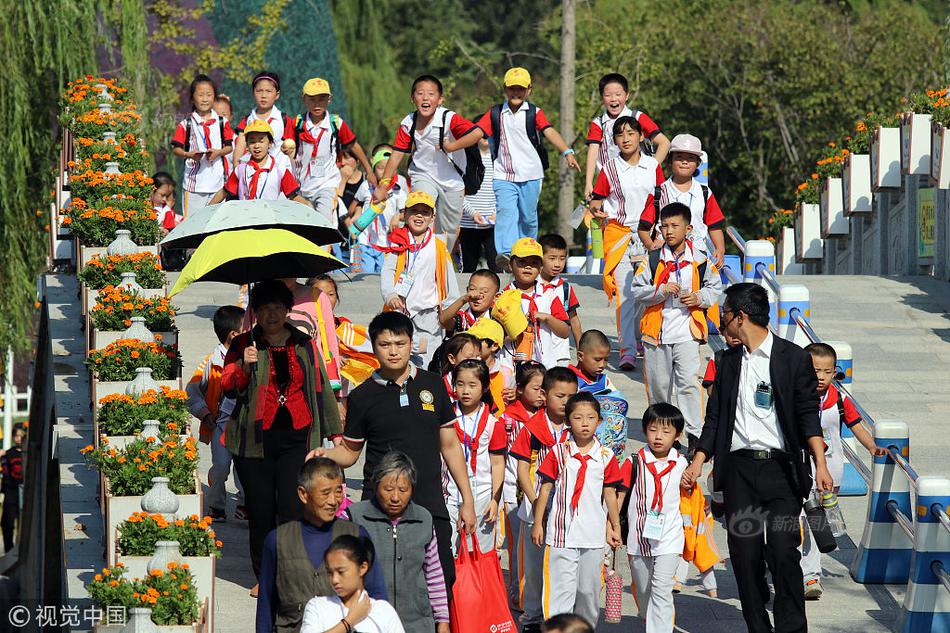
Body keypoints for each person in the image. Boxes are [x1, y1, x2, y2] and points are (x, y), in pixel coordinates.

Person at [681, 282, 834, 633]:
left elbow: (808, 414)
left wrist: (820, 463)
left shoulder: (793, 358)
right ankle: (757, 627)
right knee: (746, 557)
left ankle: (792, 628)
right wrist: (699, 459)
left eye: (724, 317)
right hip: (740, 475)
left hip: (781, 473)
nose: (721, 325)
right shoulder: (727, 361)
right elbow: (715, 417)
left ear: (740, 316)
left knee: (783, 551)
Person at [313, 311, 477, 593]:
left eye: (400, 344)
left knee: (441, 582)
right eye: (385, 344)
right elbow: (351, 453)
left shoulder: (434, 385)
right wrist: (324, 454)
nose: (393, 351)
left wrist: (468, 499)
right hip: (379, 507)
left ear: (411, 343)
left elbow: (450, 446)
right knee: (379, 584)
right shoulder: (362, 396)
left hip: (429, 502)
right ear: (374, 347)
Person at [221, 280, 343, 593]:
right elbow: (229, 386)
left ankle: (290, 574)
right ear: (255, 312)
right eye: (264, 308)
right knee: (261, 511)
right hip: (255, 439)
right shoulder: (243, 345)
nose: (272, 314)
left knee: (292, 508)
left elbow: (319, 388)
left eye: (278, 307)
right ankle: (264, 576)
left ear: (288, 310)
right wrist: (244, 367)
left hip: (296, 436)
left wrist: (334, 431)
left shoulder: (303, 342)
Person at [448, 67, 580, 264]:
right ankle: (506, 252)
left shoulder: (534, 112)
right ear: (505, 89)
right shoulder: (495, 113)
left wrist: (567, 152)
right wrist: (452, 146)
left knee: (528, 217)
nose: (516, 93)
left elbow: (549, 131)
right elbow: (476, 134)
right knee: (506, 212)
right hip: (503, 174)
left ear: (529, 90)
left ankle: (526, 247)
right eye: (512, 88)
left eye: (520, 89)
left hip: (531, 174)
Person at [632, 202, 722, 453]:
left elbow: (714, 288)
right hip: (656, 334)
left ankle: (694, 435)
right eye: (665, 226)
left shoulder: (701, 260)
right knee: (659, 387)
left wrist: (699, 298)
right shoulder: (651, 259)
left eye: (675, 226)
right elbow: (637, 291)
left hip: (688, 332)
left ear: (688, 228)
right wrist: (659, 291)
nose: (669, 231)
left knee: (689, 385)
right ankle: (664, 434)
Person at [800, 342, 886, 599]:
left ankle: (810, 576)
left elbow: (856, 424)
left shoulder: (838, 399)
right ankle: (793, 567)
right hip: (801, 471)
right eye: (815, 370)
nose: (821, 377)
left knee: (817, 524)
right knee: (798, 521)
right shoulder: (795, 397)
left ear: (835, 371)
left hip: (830, 472)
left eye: (827, 371)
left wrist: (872, 446)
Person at [532, 392, 622, 626]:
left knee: (588, 593)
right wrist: (538, 522)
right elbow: (545, 489)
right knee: (559, 593)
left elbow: (610, 494)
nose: (584, 423)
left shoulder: (606, 456)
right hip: (561, 534)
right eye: (578, 418)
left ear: (599, 421)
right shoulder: (559, 452)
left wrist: (615, 526)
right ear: (568, 421)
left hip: (592, 535)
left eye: (590, 418)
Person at [588, 115, 666, 371]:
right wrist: (596, 210)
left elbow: (661, 199)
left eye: (631, 133)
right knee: (625, 294)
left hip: (649, 235)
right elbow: (596, 200)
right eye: (620, 135)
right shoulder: (609, 167)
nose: (626, 139)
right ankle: (627, 350)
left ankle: (641, 338)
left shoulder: (653, 166)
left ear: (641, 136)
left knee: (646, 293)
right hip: (619, 235)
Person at [374, 74, 481, 251]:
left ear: (440, 99)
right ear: (412, 98)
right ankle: (414, 254)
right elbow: (397, 154)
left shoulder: (448, 118)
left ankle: (441, 261)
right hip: (422, 175)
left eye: (431, 94)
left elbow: (476, 134)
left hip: (452, 180)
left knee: (448, 231)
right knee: (420, 209)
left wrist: (452, 146)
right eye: (420, 93)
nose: (425, 98)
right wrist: (384, 185)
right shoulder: (409, 122)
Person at [348, 452, 450, 633]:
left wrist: (442, 619)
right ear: (376, 486)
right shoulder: (355, 518)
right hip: (368, 623)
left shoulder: (423, 519)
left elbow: (433, 574)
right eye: (388, 489)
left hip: (415, 623)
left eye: (403, 490)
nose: (395, 497)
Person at [509, 366, 577, 633]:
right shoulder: (532, 428)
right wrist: (535, 499)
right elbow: (522, 470)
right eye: (559, 395)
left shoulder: (577, 427)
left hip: (568, 511)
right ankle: (532, 617)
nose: (565, 402)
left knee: (564, 567)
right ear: (545, 394)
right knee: (533, 568)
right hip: (534, 508)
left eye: (571, 396)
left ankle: (562, 618)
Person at [617, 403, 689, 633]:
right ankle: (648, 616)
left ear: (678, 435)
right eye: (653, 429)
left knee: (661, 587)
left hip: (670, 536)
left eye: (666, 432)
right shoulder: (634, 461)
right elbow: (619, 495)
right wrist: (612, 525)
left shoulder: (681, 464)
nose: (658, 437)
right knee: (644, 588)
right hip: (639, 538)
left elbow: (690, 498)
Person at [379, 190, 459, 367]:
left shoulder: (438, 246)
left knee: (428, 367)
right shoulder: (398, 241)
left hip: (428, 317)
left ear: (432, 217)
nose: (419, 216)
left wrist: (449, 311)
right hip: (400, 314)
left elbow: (448, 281)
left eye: (425, 212)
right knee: (398, 364)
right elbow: (388, 270)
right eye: (414, 211)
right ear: (405, 214)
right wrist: (390, 295)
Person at [186, 305, 247, 522]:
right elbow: (192, 391)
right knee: (221, 468)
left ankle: (244, 504)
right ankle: (217, 504)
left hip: (245, 425)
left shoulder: (251, 355)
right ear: (234, 334)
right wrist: (205, 414)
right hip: (220, 425)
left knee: (244, 469)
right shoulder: (212, 361)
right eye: (247, 327)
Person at [292, 77, 374, 223]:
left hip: (327, 183)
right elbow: (288, 148)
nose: (317, 104)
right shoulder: (297, 123)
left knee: (324, 224)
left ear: (329, 99)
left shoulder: (336, 123)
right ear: (304, 99)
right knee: (306, 227)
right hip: (302, 186)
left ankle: (325, 246)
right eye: (312, 99)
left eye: (321, 99)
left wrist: (369, 171)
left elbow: (354, 145)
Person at [496, 361, 545, 607]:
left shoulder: (549, 417)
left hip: (543, 488)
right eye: (536, 389)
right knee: (517, 545)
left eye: (544, 389)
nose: (541, 394)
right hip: (513, 489)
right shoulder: (507, 419)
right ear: (520, 389)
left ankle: (537, 592)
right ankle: (518, 593)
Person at [446, 359, 507, 554]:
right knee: (449, 552)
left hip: (482, 496)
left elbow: (497, 464)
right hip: (449, 494)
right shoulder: (445, 418)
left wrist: (495, 499)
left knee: (478, 554)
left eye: (472, 385)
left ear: (485, 387)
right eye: (460, 384)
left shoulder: (492, 423)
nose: (465, 391)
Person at [638, 133, 725, 267]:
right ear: (670, 161)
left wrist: (720, 249)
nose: (685, 162)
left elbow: (714, 226)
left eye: (690, 158)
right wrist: (651, 246)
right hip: (665, 257)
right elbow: (643, 227)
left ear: (697, 163)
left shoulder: (704, 193)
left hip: (698, 258)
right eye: (679, 157)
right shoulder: (658, 192)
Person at [584, 72, 670, 197]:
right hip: (610, 183)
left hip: (640, 183)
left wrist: (651, 168)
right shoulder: (598, 123)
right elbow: (593, 151)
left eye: (618, 94)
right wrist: (588, 182)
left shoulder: (637, 117)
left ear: (627, 95)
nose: (613, 99)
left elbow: (664, 143)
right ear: (602, 98)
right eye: (608, 95)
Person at [300, 534, 405, 633]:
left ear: (362, 568)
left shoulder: (383, 611)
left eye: (341, 572)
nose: (334, 580)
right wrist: (350, 620)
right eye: (330, 572)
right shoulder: (317, 606)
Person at [499, 237, 570, 368]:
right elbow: (498, 339)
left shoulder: (549, 295)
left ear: (541, 267)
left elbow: (565, 332)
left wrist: (547, 318)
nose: (528, 266)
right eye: (521, 261)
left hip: (545, 366)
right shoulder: (503, 297)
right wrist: (517, 326)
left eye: (534, 262)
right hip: (512, 366)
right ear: (510, 265)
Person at [170, 74, 235, 215]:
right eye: (200, 95)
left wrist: (218, 152)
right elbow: (176, 149)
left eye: (209, 95)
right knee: (192, 224)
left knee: (215, 223)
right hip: (193, 185)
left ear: (214, 97)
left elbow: (230, 147)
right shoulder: (185, 124)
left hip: (218, 184)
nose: (205, 99)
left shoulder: (222, 122)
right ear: (193, 98)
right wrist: (189, 155)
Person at [209, 120, 312, 206]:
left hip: (269, 222)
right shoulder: (240, 170)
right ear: (247, 145)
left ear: (270, 144)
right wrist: (208, 208)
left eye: (261, 141)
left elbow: (294, 196)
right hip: (245, 221)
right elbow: (224, 192)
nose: (257, 146)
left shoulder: (280, 170)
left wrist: (309, 207)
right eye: (252, 141)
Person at [567, 329, 628, 462]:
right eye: (597, 359)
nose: (602, 365)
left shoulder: (604, 381)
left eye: (606, 360)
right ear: (580, 356)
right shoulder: (569, 380)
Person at [356, 149, 408, 275]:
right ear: (373, 170)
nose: (385, 172)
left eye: (389, 168)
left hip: (387, 244)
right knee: (365, 275)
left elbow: (405, 213)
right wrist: (357, 217)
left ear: (394, 171)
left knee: (383, 275)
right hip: (366, 241)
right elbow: (357, 203)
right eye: (380, 168)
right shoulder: (366, 187)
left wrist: (397, 216)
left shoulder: (398, 192)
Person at [538, 233, 582, 365]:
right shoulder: (530, 286)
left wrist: (580, 348)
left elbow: (574, 320)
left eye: (562, 259)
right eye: (552, 258)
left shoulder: (565, 288)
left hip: (560, 354)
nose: (557, 264)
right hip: (535, 353)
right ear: (540, 258)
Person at [233, 70, 296, 162]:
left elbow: (291, 149)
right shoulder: (247, 120)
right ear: (253, 93)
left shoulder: (284, 120)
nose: (263, 95)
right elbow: (239, 148)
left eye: (268, 91)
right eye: (259, 91)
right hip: (252, 173)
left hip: (278, 173)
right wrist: (236, 168)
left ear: (277, 95)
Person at [458, 138, 499, 272]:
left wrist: (497, 212)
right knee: (468, 269)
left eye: (490, 134)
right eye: (483, 135)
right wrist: (472, 213)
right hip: (468, 224)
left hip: (493, 225)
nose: (486, 138)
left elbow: (504, 191)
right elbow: (457, 191)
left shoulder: (499, 160)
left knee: (497, 267)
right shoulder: (464, 159)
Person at [464, 318, 513, 415]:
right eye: (469, 339)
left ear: (494, 345)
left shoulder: (505, 373)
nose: (472, 344)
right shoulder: (464, 369)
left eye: (477, 340)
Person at [439, 269, 500, 336]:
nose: (476, 295)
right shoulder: (462, 318)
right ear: (467, 290)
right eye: (472, 289)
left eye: (484, 291)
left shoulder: (499, 318)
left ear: (496, 296)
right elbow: (443, 320)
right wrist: (464, 299)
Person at [434, 332, 480, 399]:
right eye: (468, 358)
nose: (475, 362)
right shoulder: (440, 387)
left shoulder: (481, 383)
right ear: (452, 359)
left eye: (478, 357)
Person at [1, 423, 25, 552]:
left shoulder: (30, 454)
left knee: (24, 523)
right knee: (8, 523)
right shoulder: (8, 454)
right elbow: (5, 473)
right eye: (16, 436)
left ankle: (21, 548)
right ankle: (9, 549)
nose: (19, 439)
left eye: (21, 436)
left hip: (26, 491)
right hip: (12, 492)